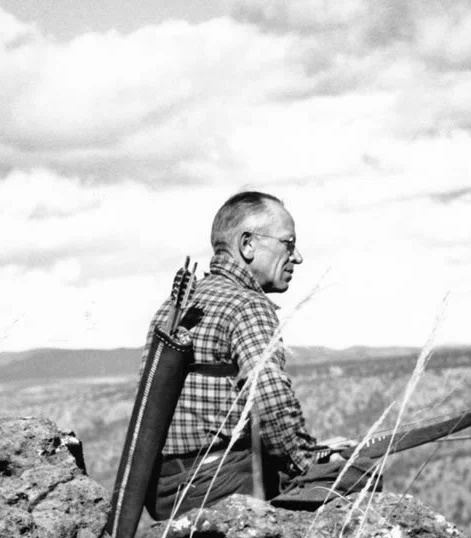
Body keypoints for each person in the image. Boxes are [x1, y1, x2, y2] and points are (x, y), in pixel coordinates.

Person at [145, 191, 378, 519]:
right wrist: (310, 461)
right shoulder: (247, 305)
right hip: (220, 485)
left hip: (164, 493)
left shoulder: (171, 308)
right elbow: (269, 402)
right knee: (360, 475)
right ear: (248, 245)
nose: (297, 257)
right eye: (288, 243)